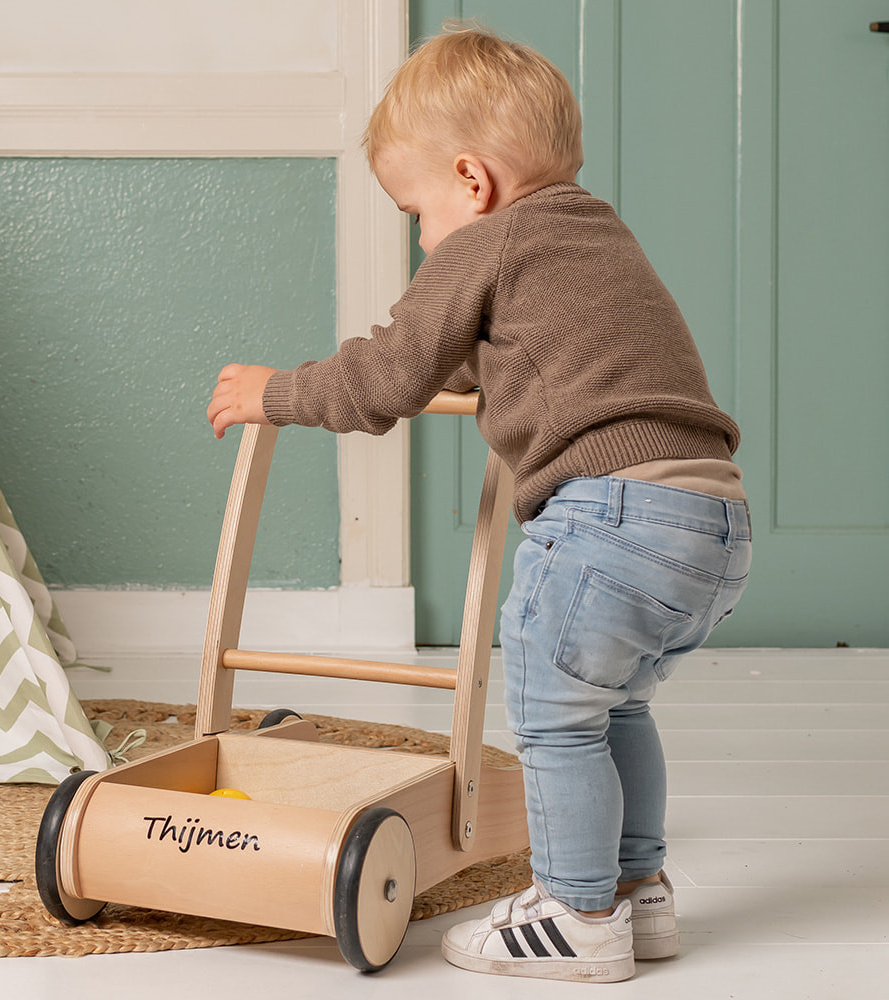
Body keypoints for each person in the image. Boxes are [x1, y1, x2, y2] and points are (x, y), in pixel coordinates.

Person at [206, 24, 751, 984]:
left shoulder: (486, 242)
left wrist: (276, 391)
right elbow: (515, 352)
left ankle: (577, 916)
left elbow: (390, 373)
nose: (423, 238)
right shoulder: (595, 234)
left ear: (472, 180)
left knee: (555, 721)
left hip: (609, 521)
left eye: (416, 213)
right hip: (712, 525)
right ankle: (639, 892)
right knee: (614, 707)